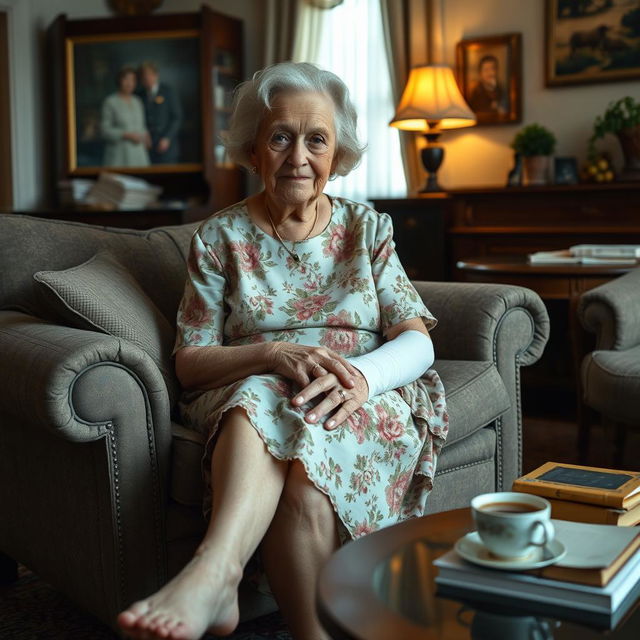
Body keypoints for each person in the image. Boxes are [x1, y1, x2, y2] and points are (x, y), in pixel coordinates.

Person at [117, 61, 448, 640]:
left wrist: (361, 379)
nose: (299, 156)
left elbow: (416, 341)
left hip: (357, 390)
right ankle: (219, 573)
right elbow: (190, 362)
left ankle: (219, 578)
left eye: (316, 139)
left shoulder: (367, 231)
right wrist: (272, 355)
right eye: (280, 137)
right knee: (262, 390)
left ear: (337, 153)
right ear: (253, 149)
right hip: (251, 389)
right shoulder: (219, 240)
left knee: (303, 477)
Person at [100, 66, 150, 167]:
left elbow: (142, 125)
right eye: (126, 79)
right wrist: (126, 135)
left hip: (139, 154)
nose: (129, 83)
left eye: (133, 80)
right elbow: (104, 131)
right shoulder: (110, 102)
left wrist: (146, 136)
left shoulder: (137, 101)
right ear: (119, 81)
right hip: (119, 156)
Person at [137, 61, 183, 163]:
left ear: (156, 75)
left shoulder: (168, 91)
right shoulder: (139, 95)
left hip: (167, 146)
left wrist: (167, 138)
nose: (146, 78)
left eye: (149, 75)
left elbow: (176, 117)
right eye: (143, 76)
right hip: (146, 147)